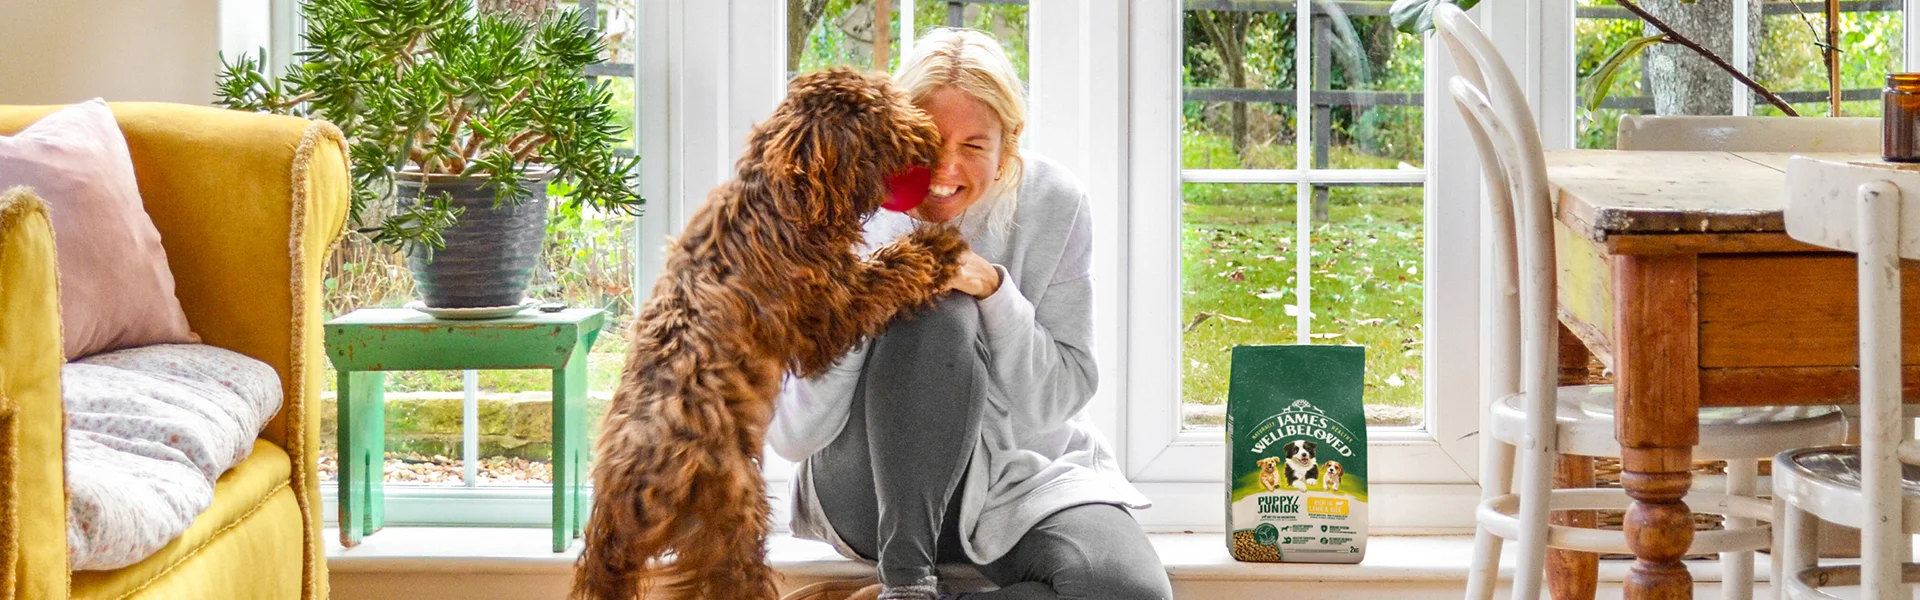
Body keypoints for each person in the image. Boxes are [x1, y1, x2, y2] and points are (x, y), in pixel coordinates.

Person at [769, 28, 1173, 600]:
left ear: (1009, 144)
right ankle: (906, 584)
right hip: (870, 488)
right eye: (926, 140)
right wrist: (869, 296)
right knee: (934, 299)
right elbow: (792, 435)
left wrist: (993, 291)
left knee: (1128, 592)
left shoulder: (1056, 202)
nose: (945, 168)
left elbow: (1057, 399)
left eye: (974, 146)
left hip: (1017, 475)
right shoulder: (840, 207)